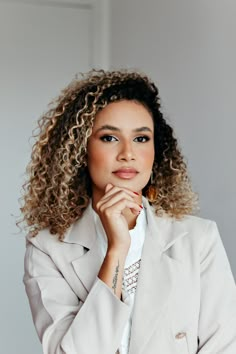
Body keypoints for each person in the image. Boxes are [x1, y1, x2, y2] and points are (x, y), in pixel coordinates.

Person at [21, 69, 236, 354]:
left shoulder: (198, 238)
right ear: (80, 150)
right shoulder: (48, 247)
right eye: (109, 138)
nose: (128, 153)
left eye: (141, 138)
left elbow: (224, 344)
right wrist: (117, 249)